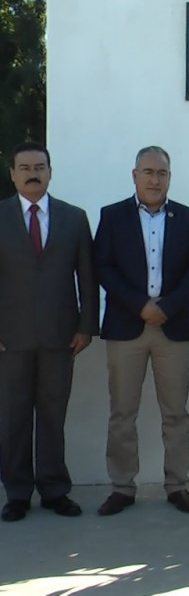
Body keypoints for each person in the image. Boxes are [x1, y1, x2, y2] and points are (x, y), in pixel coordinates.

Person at [94, 145, 189, 515]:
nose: (154, 179)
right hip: (126, 327)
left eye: (162, 173)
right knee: (122, 413)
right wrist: (139, 305)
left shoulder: (187, 218)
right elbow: (104, 267)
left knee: (175, 412)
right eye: (148, 172)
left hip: (171, 329)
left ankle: (177, 485)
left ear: (169, 178)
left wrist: (167, 307)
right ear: (134, 175)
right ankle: (122, 487)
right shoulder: (112, 216)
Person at [0, 141, 99, 522]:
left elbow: (87, 278)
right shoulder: (1, 216)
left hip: (61, 337)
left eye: (39, 166)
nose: (32, 173)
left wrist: (86, 325)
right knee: (13, 418)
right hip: (11, 340)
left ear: (50, 171)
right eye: (24, 167)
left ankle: (55, 491)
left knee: (53, 417)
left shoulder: (74, 219)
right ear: (12, 173)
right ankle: (17, 493)